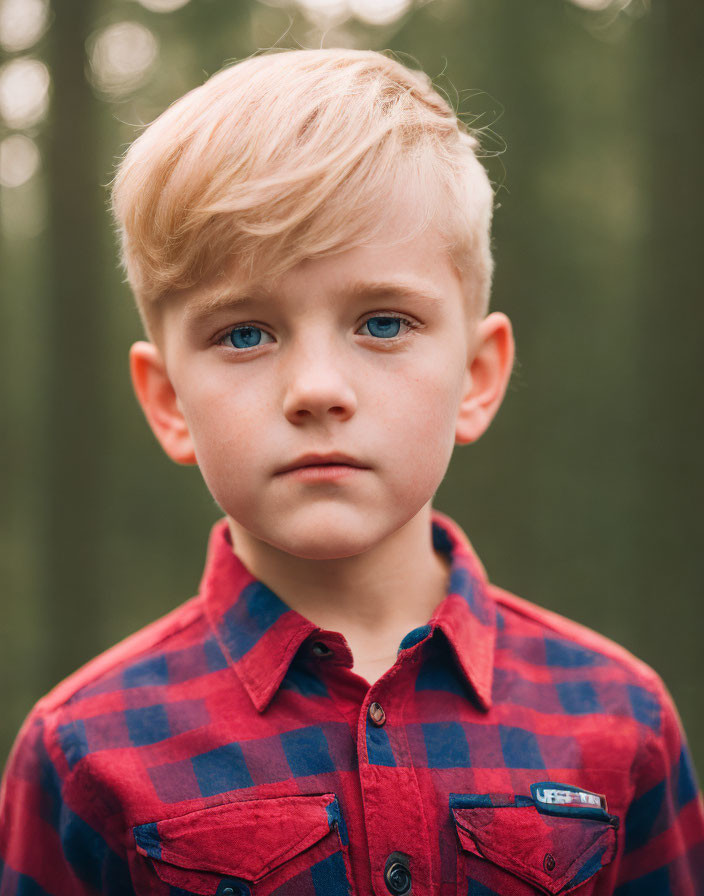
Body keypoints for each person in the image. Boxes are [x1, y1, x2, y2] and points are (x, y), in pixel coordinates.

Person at [0, 47, 702, 895]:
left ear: (477, 376)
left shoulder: (621, 722)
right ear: (168, 400)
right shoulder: (84, 750)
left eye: (382, 323)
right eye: (245, 334)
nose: (317, 390)